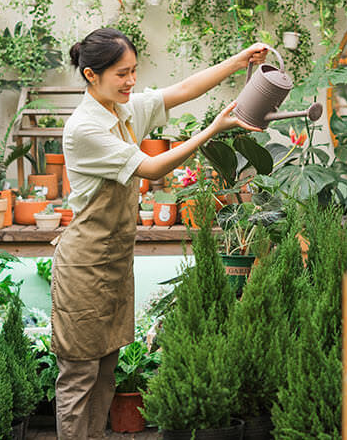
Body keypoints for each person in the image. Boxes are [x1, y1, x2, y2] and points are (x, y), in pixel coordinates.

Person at [52, 27, 267, 439]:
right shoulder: (85, 127)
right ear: (90, 75)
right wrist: (212, 131)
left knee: (106, 372)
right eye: (121, 74)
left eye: (134, 71)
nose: (131, 81)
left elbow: (184, 88)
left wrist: (240, 60)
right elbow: (151, 168)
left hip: (113, 262)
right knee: (80, 375)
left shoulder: (125, 110)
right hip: (82, 266)